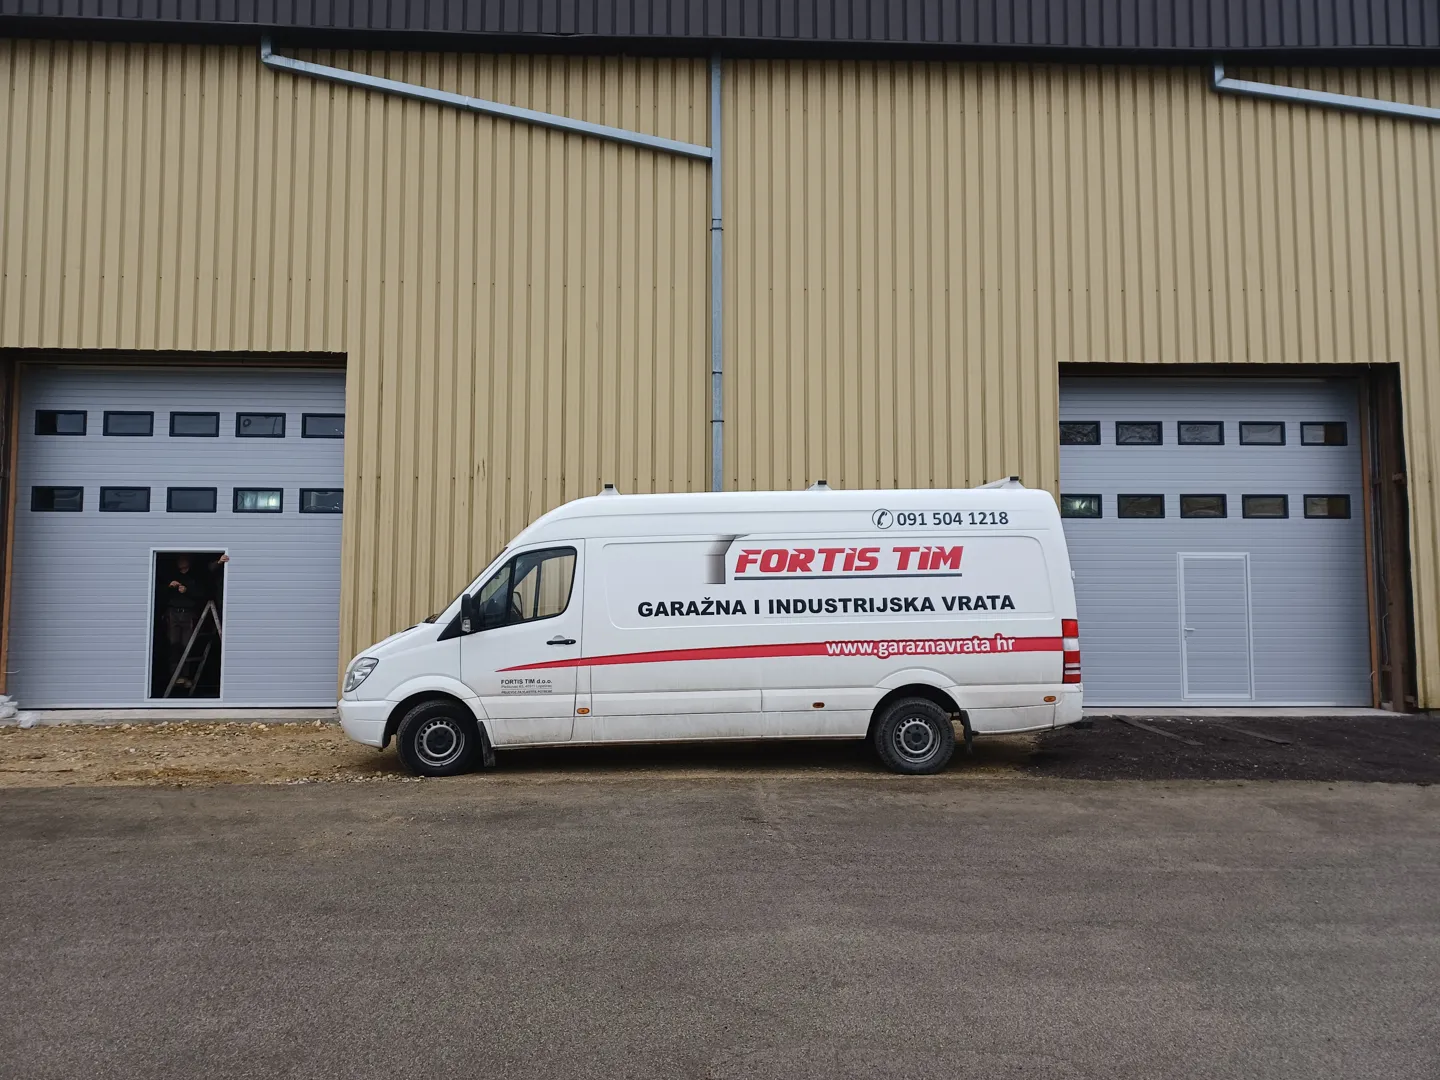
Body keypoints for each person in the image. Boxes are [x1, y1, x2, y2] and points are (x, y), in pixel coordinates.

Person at [161, 554, 229, 688]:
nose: (181, 561)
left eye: (183, 559)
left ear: (188, 561)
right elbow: (158, 590)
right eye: (180, 559)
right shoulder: (171, 575)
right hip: (173, 613)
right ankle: (175, 676)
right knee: (174, 645)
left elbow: (202, 593)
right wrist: (169, 585)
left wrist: (187, 590)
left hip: (188, 614)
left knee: (187, 645)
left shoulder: (196, 576)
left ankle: (185, 677)